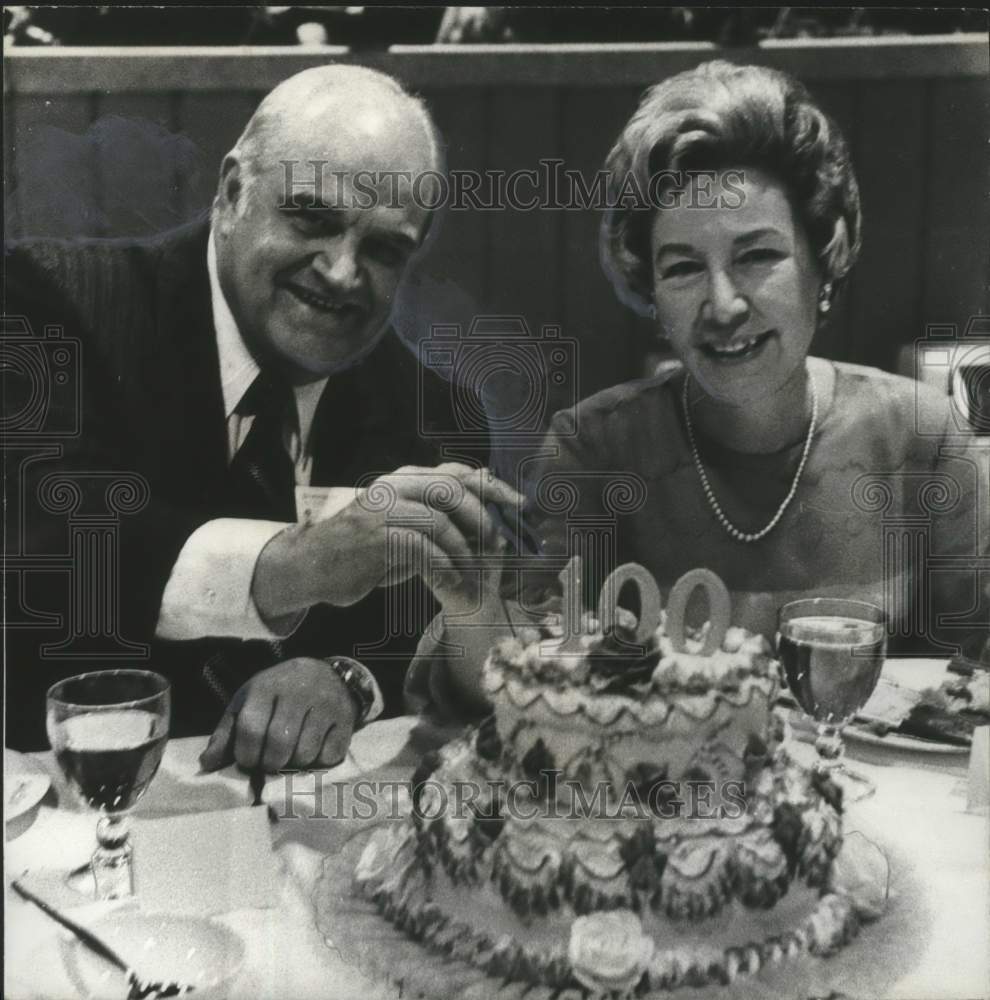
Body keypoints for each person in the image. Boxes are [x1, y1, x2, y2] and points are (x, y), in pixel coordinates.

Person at [406, 60, 988, 719]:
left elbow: (975, 669)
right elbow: (514, 684)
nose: (723, 304)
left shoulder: (924, 436)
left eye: (756, 255)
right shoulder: (594, 448)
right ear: (651, 292)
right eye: (683, 268)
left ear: (825, 255)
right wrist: (471, 604)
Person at [5, 64, 522, 767]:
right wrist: (301, 564)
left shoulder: (440, 419)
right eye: (313, 217)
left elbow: (413, 640)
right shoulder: (50, 306)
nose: (341, 271)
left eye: (382, 249)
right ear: (231, 193)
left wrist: (347, 680)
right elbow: (52, 546)